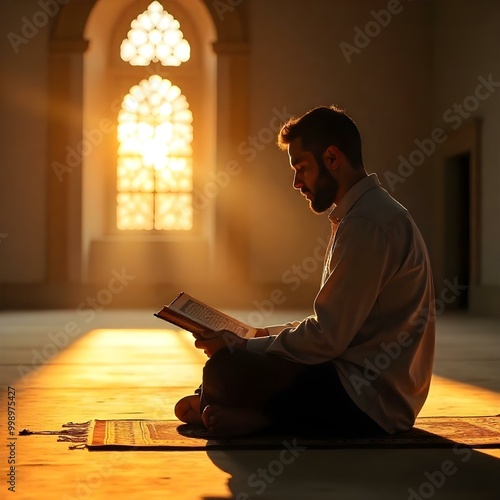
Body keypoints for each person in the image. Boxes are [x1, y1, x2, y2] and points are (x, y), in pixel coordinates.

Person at [175, 105, 435, 437]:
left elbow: (327, 339)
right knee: (232, 364)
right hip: (356, 378)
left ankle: (266, 422)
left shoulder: (367, 224)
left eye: (301, 167)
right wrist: (254, 335)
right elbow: (334, 326)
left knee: (225, 370)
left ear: (332, 158)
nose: (297, 182)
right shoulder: (363, 215)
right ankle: (245, 409)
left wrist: (240, 348)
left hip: (371, 400)